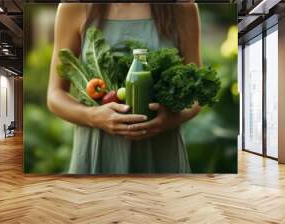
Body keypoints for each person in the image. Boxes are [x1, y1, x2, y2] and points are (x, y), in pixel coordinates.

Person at [47, 3, 202, 174]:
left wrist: (169, 120)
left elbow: (197, 92)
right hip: (98, 149)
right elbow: (55, 95)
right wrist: (93, 116)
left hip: (161, 149)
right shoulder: (73, 7)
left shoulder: (183, 8)